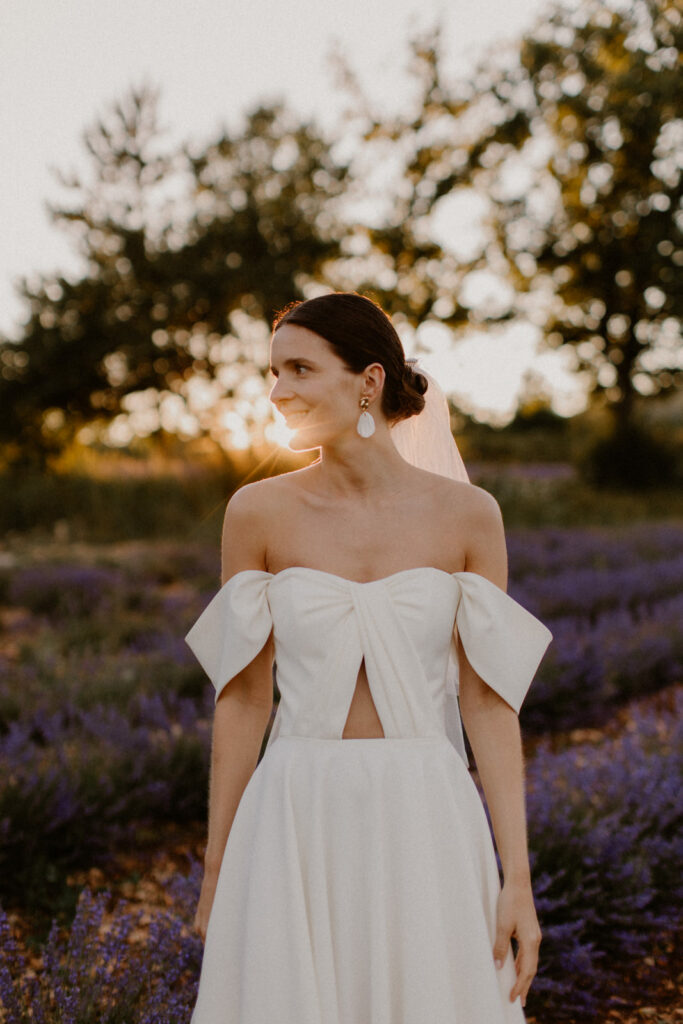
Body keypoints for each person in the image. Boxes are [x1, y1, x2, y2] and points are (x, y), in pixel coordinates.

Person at [184, 291, 553, 1023]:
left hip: (425, 812)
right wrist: (218, 865)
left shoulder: (468, 516)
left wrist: (517, 878)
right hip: (293, 809)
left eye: (298, 368)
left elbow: (485, 703)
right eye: (273, 372)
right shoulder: (255, 513)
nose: (277, 391)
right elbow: (244, 698)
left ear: (368, 381)